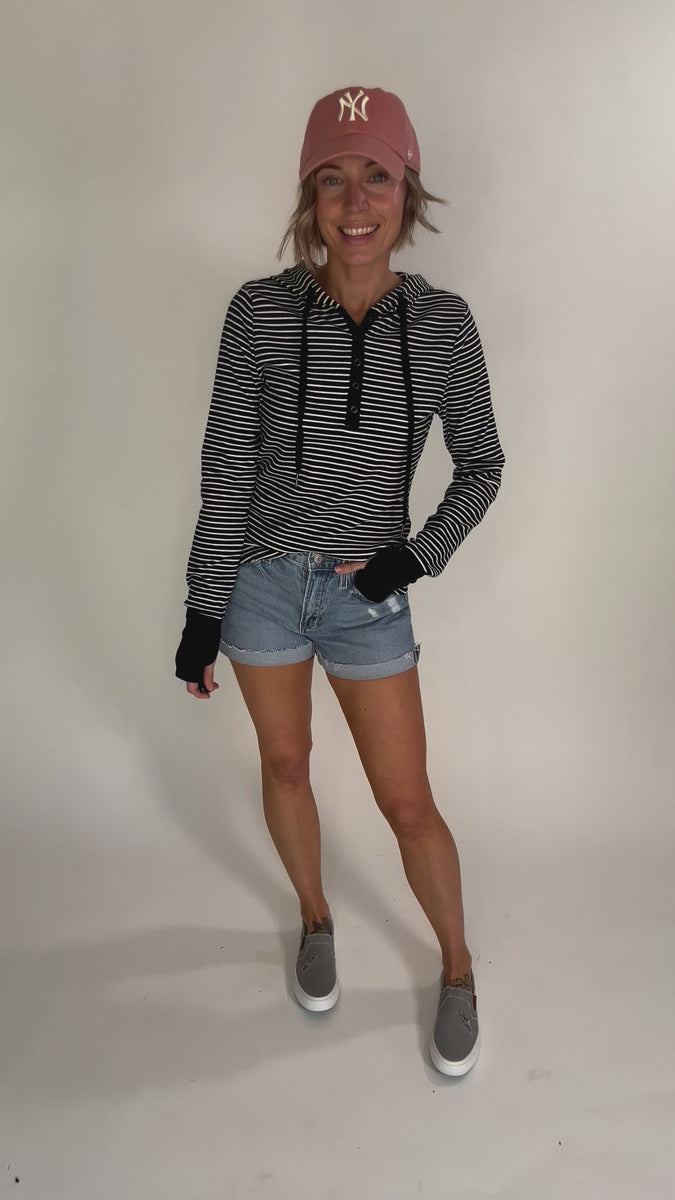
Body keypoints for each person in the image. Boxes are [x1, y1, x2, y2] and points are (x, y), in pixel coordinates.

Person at [175, 86, 505, 1076]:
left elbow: (482, 466)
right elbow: (227, 470)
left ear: (408, 190)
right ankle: (315, 917)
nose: (354, 201)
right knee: (284, 765)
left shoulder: (442, 323)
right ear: (308, 197)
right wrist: (202, 609)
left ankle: (457, 968)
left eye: (376, 176)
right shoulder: (259, 311)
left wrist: (412, 556)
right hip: (262, 586)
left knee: (408, 804)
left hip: (368, 597)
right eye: (332, 179)